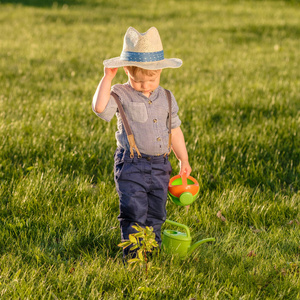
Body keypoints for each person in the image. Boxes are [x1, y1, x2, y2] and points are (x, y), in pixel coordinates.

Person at [92, 26, 192, 257]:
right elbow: (99, 108)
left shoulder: (166, 96)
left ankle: (151, 254)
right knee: (134, 211)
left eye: (151, 79)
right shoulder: (119, 93)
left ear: (160, 71)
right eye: (137, 81)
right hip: (131, 165)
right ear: (126, 70)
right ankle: (134, 258)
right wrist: (107, 77)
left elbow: (174, 130)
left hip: (161, 166)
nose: (145, 85)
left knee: (156, 213)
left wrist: (183, 158)